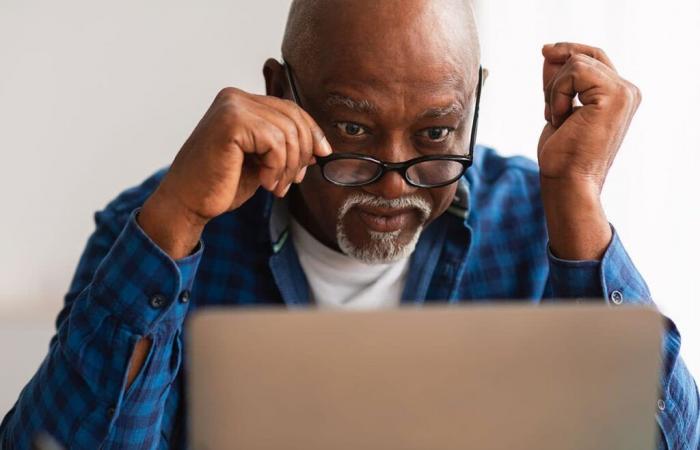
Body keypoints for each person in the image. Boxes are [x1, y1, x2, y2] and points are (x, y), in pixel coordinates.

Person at [2, 0, 698, 448]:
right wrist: (177, 219)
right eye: (354, 127)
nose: (395, 179)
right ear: (279, 94)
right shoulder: (160, 226)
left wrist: (577, 197)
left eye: (434, 133)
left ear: (473, 100)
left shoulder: (535, 222)